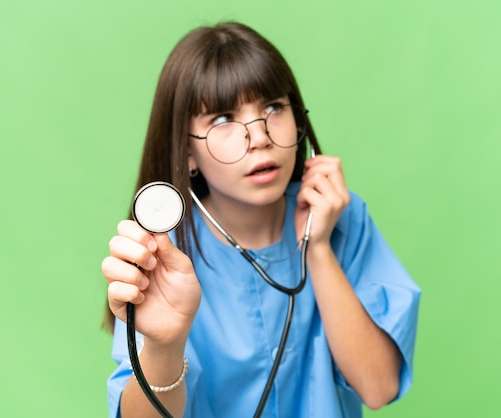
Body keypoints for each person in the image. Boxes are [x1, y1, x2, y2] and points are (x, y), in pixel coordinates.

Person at [102, 21, 421, 418]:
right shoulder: (162, 253)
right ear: (186, 152)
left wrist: (318, 248)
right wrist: (165, 347)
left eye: (273, 107)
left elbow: (378, 387)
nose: (260, 136)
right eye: (222, 119)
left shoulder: (342, 218)